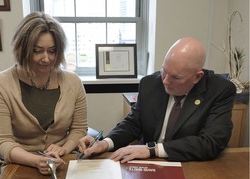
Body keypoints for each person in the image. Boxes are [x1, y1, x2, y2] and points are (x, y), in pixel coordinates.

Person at [79, 37, 236, 162]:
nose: (165, 81)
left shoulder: (220, 90)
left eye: (176, 77)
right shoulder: (150, 84)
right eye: (164, 71)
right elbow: (133, 123)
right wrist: (105, 143)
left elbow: (211, 142)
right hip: (148, 165)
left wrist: (152, 150)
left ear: (197, 76)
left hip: (191, 165)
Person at [0, 12, 87, 175]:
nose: (46, 58)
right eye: (37, 51)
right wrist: (35, 161)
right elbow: (2, 141)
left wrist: (63, 148)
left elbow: (79, 129)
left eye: (52, 51)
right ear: (23, 49)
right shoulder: (0, 83)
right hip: (19, 163)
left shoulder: (73, 82)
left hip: (62, 159)